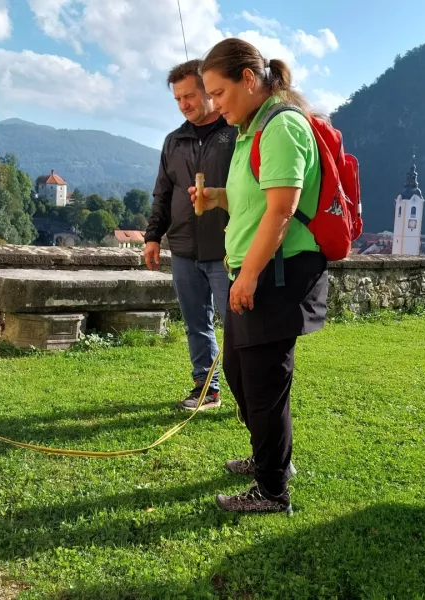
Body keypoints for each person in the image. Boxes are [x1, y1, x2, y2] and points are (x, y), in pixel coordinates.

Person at [190, 38, 330, 514]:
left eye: (219, 93)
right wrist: (217, 200)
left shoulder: (282, 126)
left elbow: (282, 209)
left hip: (277, 278)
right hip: (253, 275)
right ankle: (271, 460)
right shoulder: (252, 128)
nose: (215, 105)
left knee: (265, 387)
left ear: (248, 79)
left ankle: (273, 492)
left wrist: (247, 277)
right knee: (240, 375)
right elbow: (253, 201)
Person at [145, 59, 236, 411]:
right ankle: (206, 389)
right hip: (183, 249)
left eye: (190, 95)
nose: (185, 104)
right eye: (178, 99)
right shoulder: (174, 141)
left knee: (238, 328)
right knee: (196, 325)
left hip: (228, 248)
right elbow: (162, 194)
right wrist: (153, 237)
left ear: (210, 91)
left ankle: (248, 392)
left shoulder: (234, 133)